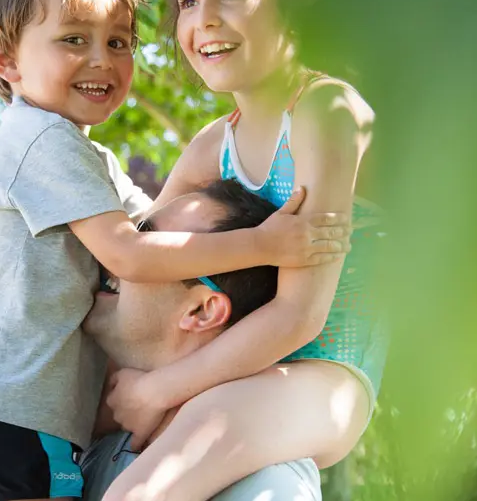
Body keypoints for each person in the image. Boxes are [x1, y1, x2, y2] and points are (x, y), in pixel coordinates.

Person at [0, 0, 349, 501]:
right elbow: (133, 257)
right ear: (6, 60)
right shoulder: (45, 142)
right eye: (74, 40)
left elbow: (148, 235)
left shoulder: (87, 161)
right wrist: (262, 243)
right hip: (13, 416)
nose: (101, 60)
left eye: (118, 42)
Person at [98, 0, 390, 498]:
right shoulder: (214, 146)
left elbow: (300, 315)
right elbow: (140, 256)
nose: (204, 19)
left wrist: (157, 390)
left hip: (326, 373)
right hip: (230, 365)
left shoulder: (325, 113)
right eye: (187, 1)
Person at [80, 178, 322, 500]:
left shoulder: (265, 488)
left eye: (145, 240)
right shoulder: (81, 442)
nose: (115, 252)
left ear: (201, 311)